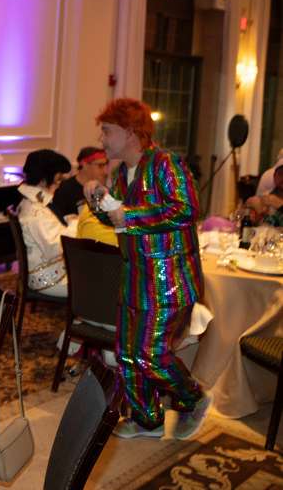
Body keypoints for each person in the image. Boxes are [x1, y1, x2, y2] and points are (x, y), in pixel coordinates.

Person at [84, 98, 210, 440]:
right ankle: (147, 419)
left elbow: (186, 209)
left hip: (169, 279)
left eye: (107, 131)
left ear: (130, 132)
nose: (102, 139)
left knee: (151, 355)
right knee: (126, 354)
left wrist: (130, 215)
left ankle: (193, 398)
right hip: (135, 277)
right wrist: (96, 199)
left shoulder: (166, 163)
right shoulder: (123, 174)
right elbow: (115, 219)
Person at [17, 149, 74, 298]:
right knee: (101, 278)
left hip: (49, 269)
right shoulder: (35, 211)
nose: (59, 185)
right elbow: (55, 248)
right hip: (49, 278)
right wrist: (75, 225)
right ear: (43, 180)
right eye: (58, 180)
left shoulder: (35, 203)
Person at [51, 146, 109, 224]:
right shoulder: (64, 190)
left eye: (106, 165)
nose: (105, 171)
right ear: (84, 164)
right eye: (100, 166)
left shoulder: (104, 189)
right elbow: (57, 222)